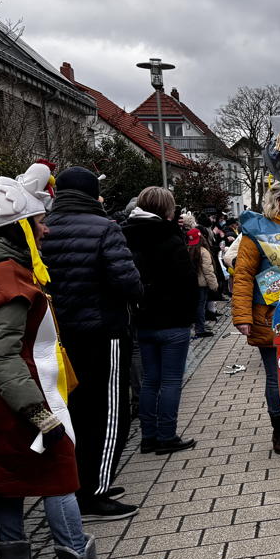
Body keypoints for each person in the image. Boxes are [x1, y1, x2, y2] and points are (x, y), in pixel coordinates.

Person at [0, 175, 138, 559]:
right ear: (19, 229)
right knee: (58, 474)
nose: (46, 229)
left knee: (6, 481)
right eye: (39, 222)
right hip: (18, 400)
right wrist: (40, 416)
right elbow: (2, 358)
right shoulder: (6, 281)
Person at [41, 166, 143, 522]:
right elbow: (128, 281)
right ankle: (95, 491)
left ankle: (81, 482)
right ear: (90, 194)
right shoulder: (105, 228)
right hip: (105, 331)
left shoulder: (43, 229)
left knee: (75, 411)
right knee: (110, 412)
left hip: (59, 336)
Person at [232, 178, 280, 455]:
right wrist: (242, 315)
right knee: (277, 376)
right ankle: (279, 430)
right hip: (271, 316)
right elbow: (243, 275)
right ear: (277, 200)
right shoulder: (256, 231)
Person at [122, 187, 198, 455]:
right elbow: (187, 279)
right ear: (167, 208)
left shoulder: (125, 234)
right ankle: (167, 435)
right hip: (173, 318)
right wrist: (190, 315)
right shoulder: (169, 235)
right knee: (170, 381)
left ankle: (148, 436)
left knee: (150, 380)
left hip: (143, 318)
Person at [186, 222, 219, 339]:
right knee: (201, 306)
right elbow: (208, 270)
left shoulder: (187, 249)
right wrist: (214, 285)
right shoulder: (203, 251)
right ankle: (200, 329)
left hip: (191, 284)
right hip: (202, 284)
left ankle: (198, 327)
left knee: (196, 306)